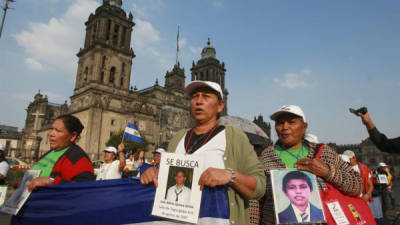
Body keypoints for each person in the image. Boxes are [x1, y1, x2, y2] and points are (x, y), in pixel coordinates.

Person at [140, 80, 266, 225]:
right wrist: (155, 172)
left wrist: (230, 176)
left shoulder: (234, 137)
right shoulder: (178, 138)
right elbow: (166, 178)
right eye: (195, 96)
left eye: (206, 96)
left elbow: (260, 187)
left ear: (220, 106)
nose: (199, 101)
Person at [260, 105, 362, 225]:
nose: (285, 127)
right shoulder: (266, 156)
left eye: (292, 122)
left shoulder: (323, 152)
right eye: (280, 123)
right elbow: (256, 200)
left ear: (304, 127)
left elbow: (357, 186)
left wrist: (327, 172)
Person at [27, 115, 95, 190]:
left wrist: (51, 181)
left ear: (73, 136)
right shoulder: (49, 153)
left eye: (58, 131)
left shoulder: (79, 158)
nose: (51, 134)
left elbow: (85, 188)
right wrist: (23, 183)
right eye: (51, 129)